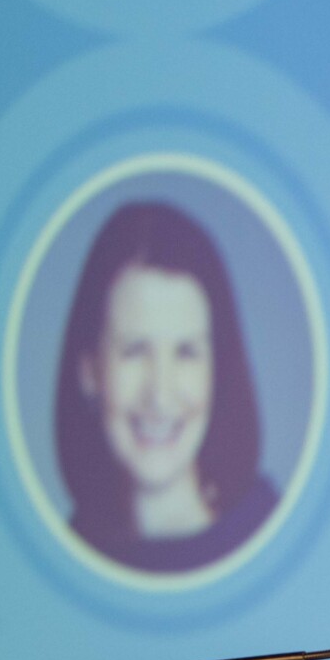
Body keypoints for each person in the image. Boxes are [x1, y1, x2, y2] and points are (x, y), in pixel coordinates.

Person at [51, 199, 278, 575]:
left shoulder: (275, 536)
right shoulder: (61, 565)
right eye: (135, 351)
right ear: (90, 373)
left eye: (186, 352)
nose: (159, 395)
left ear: (217, 371)